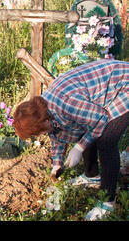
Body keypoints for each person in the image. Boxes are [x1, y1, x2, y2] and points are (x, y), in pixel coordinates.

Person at [13, 59, 128, 220]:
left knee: (106, 140)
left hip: (123, 86)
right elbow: (56, 135)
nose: (38, 136)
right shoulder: (44, 109)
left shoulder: (66, 103)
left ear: (45, 121)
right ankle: (92, 176)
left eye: (37, 133)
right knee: (87, 128)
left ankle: (107, 203)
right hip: (103, 91)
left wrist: (79, 148)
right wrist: (57, 164)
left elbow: (101, 119)